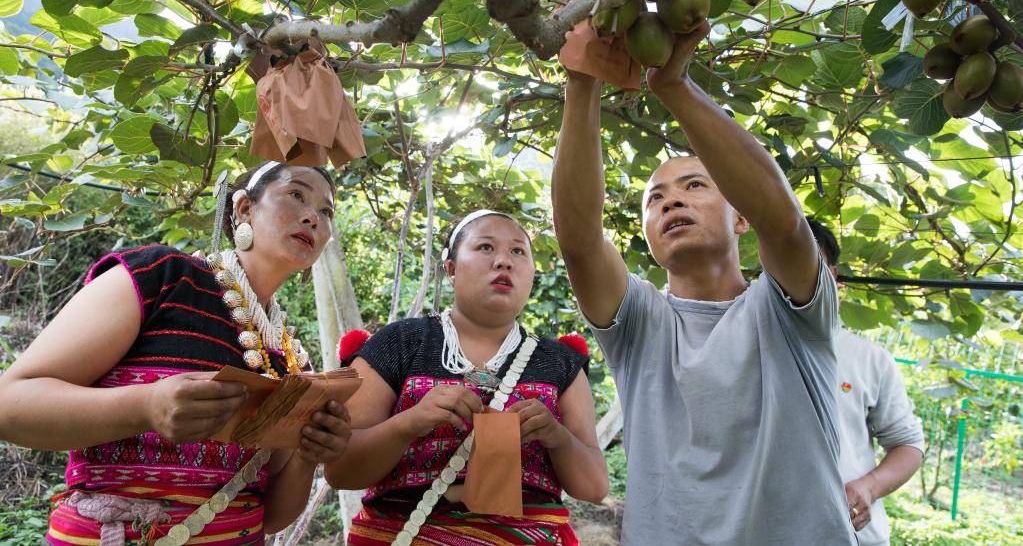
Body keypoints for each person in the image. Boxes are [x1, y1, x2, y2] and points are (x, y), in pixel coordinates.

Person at [550, 0, 856, 545]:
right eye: (654, 199)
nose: (671, 202)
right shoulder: (641, 323)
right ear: (646, 234)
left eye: (694, 185)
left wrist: (673, 84)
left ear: (739, 215)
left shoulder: (789, 310)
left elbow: (785, 221)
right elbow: (580, 238)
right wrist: (583, 72)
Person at [0, 162, 353, 544]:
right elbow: (11, 405)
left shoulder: (292, 360)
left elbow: (269, 516)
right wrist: (146, 406)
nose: (312, 217)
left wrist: (307, 455)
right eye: (297, 194)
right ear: (244, 210)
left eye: (326, 211)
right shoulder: (162, 276)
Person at [326, 210, 608, 545]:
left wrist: (556, 436)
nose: (504, 261)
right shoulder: (397, 343)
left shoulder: (560, 362)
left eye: (518, 251)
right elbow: (340, 470)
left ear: (532, 273)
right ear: (451, 269)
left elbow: (593, 487)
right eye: (486, 247)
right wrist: (410, 423)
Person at [807, 218, 925, 544]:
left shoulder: (870, 359)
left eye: (806, 259)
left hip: (849, 535)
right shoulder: (745, 347)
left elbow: (908, 445)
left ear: (834, 278)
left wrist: (867, 487)